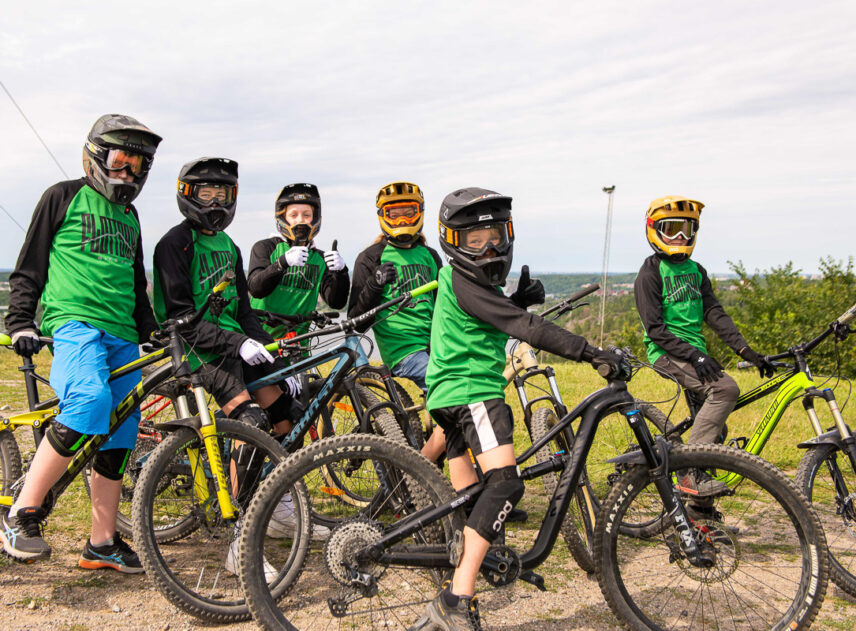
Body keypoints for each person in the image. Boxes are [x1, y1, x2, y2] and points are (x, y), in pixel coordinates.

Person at [410, 187, 626, 631]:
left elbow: (495, 317)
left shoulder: (465, 282)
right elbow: (522, 327)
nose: (489, 247)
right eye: (475, 240)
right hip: (472, 392)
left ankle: (463, 561)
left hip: (448, 393)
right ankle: (455, 599)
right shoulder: (463, 279)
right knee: (506, 486)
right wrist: (590, 351)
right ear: (453, 241)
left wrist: (517, 299)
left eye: (495, 235)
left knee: (471, 500)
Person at [151, 158, 327, 577]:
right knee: (251, 422)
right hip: (198, 352)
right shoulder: (174, 245)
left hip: (234, 348)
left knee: (290, 415)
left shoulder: (227, 246)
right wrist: (237, 343)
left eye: (223, 194)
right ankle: (241, 540)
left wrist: (268, 352)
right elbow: (180, 318)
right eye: (206, 193)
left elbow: (246, 312)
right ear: (186, 194)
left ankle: (280, 509)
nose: (215, 202)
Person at [1, 114, 162, 572]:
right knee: (88, 400)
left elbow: (134, 283)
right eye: (119, 160)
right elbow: (30, 263)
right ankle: (20, 514)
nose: (127, 172)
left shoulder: (130, 216)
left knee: (119, 435)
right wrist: (20, 322)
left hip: (123, 335)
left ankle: (101, 542)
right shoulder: (63, 196)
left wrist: (151, 331)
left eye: (137, 165)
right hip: (75, 324)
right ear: (96, 156)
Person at [634, 195, 774, 499]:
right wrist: (695, 355)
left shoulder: (696, 271)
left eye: (687, 229)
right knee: (724, 390)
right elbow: (655, 330)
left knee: (715, 431)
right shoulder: (650, 273)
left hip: (693, 354)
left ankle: (701, 516)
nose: (681, 237)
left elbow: (714, 313)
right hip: (667, 354)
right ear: (654, 229)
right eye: (671, 229)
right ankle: (688, 475)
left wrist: (746, 351)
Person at [348, 182, 446, 461]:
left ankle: (434, 455)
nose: (402, 220)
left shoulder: (430, 255)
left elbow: (443, 305)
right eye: (394, 214)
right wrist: (376, 285)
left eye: (408, 212)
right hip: (403, 349)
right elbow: (355, 320)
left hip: (434, 345)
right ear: (382, 216)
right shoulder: (370, 257)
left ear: (420, 213)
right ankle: (422, 466)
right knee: (450, 392)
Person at [248, 183, 349, 341]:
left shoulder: (320, 258)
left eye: (307, 215)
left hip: (298, 343)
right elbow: (256, 288)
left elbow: (336, 302)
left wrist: (341, 272)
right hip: (261, 339)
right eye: (293, 215)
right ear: (283, 218)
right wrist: (282, 263)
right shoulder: (265, 247)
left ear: (315, 219)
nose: (301, 220)